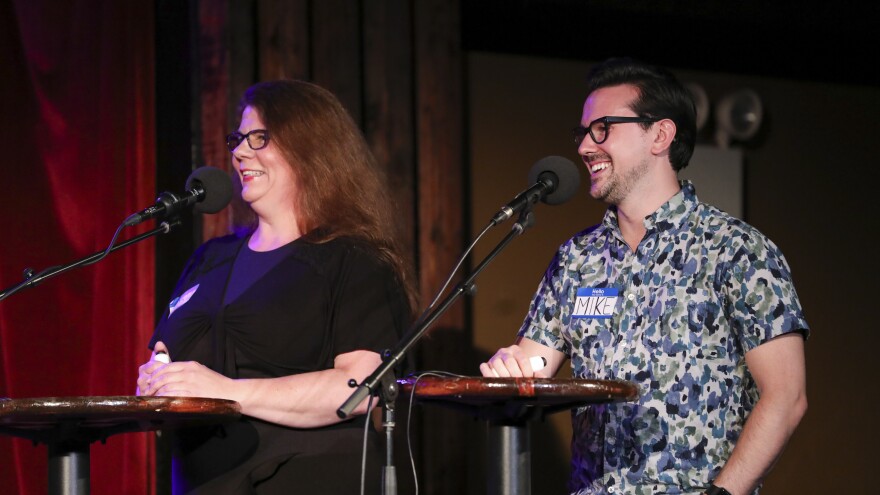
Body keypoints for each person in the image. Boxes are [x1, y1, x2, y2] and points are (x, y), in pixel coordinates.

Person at [480, 58, 808, 495]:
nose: (584, 147)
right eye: (583, 132)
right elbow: (533, 364)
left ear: (660, 135)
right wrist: (514, 369)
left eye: (604, 128)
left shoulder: (737, 250)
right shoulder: (577, 258)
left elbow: (786, 398)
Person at [136, 80, 416, 494]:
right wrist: (155, 382)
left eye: (259, 138)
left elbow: (360, 388)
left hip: (308, 476)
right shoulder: (210, 257)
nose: (239, 152)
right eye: (238, 139)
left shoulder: (353, 260)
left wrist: (229, 393)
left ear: (310, 147)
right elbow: (165, 357)